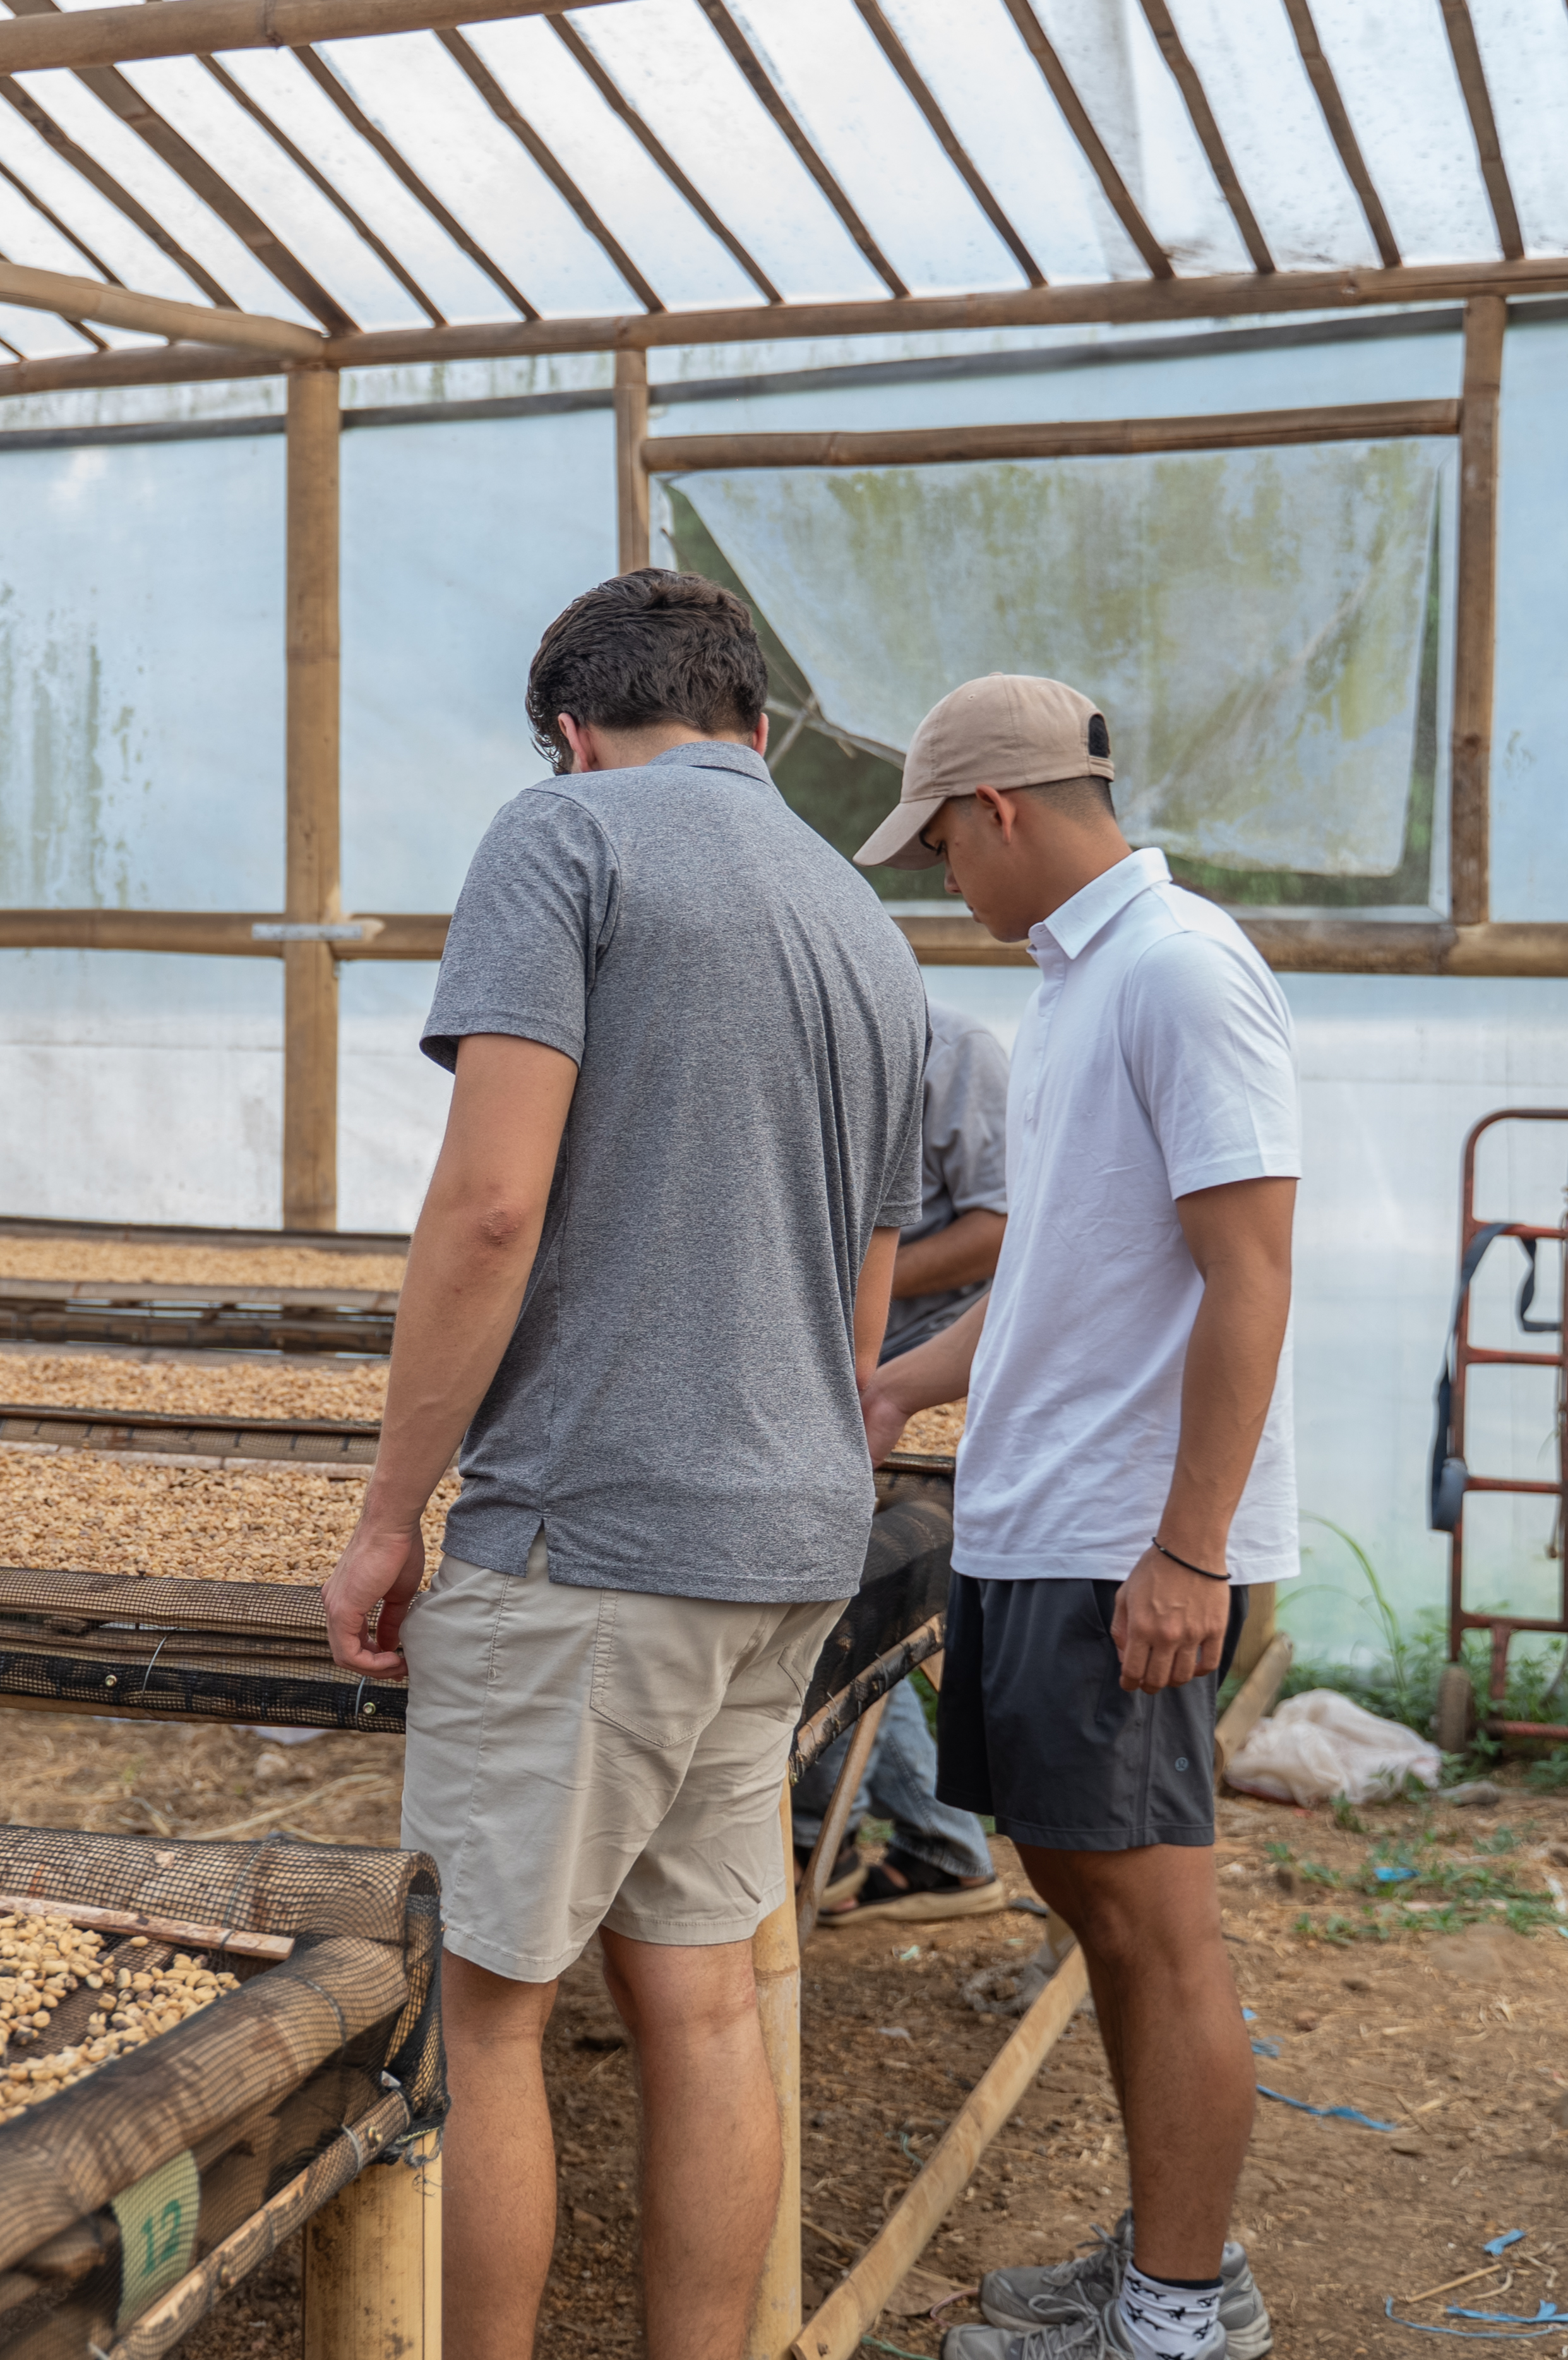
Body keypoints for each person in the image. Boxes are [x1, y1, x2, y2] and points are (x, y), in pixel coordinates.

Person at [322, 569, 926, 2360]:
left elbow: (492, 1205)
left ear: (573, 733)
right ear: (754, 727)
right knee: (707, 2002)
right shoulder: (863, 921)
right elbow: (865, 1296)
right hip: (790, 1532)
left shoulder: (563, 840)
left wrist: (386, 1513)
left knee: (486, 2011)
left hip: (595, 1531)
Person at [851, 674, 1296, 2360]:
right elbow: (1057, 1277)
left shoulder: (1180, 972)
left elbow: (1249, 1272)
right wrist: (908, 1388)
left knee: (1152, 1924)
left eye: (943, 846)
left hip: (1125, 1542)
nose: (943, 881)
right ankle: (1160, 2258)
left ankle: (1187, 2312)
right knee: (1093, 1905)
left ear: (1003, 813)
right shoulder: (1084, 990)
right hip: (1044, 1522)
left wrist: (1189, 1548)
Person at [794, 990, 1011, 1920]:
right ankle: (911, 1838)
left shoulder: (955, 1050)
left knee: (857, 1596)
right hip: (833, 1365)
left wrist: (855, 1285)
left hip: (930, 1369)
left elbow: (1004, 1228)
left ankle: (843, 1831)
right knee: (862, 1605)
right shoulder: (779, 1037)